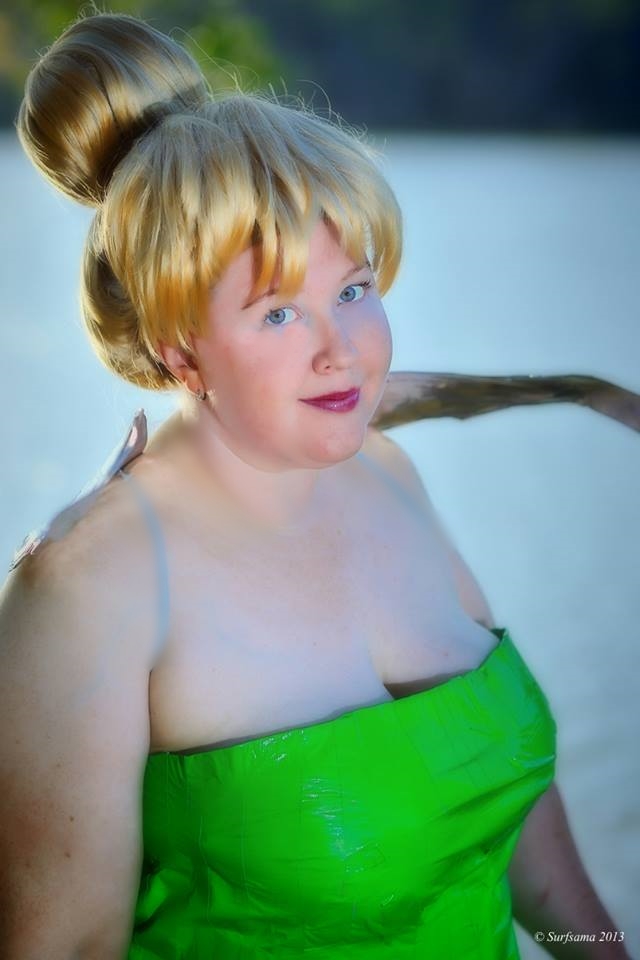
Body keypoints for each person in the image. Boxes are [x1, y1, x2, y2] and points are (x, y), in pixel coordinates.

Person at [0, 11, 633, 960]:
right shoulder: (91, 586)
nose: (343, 349)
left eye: (352, 290)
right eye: (277, 312)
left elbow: (530, 859)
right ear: (178, 349)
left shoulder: (386, 471)